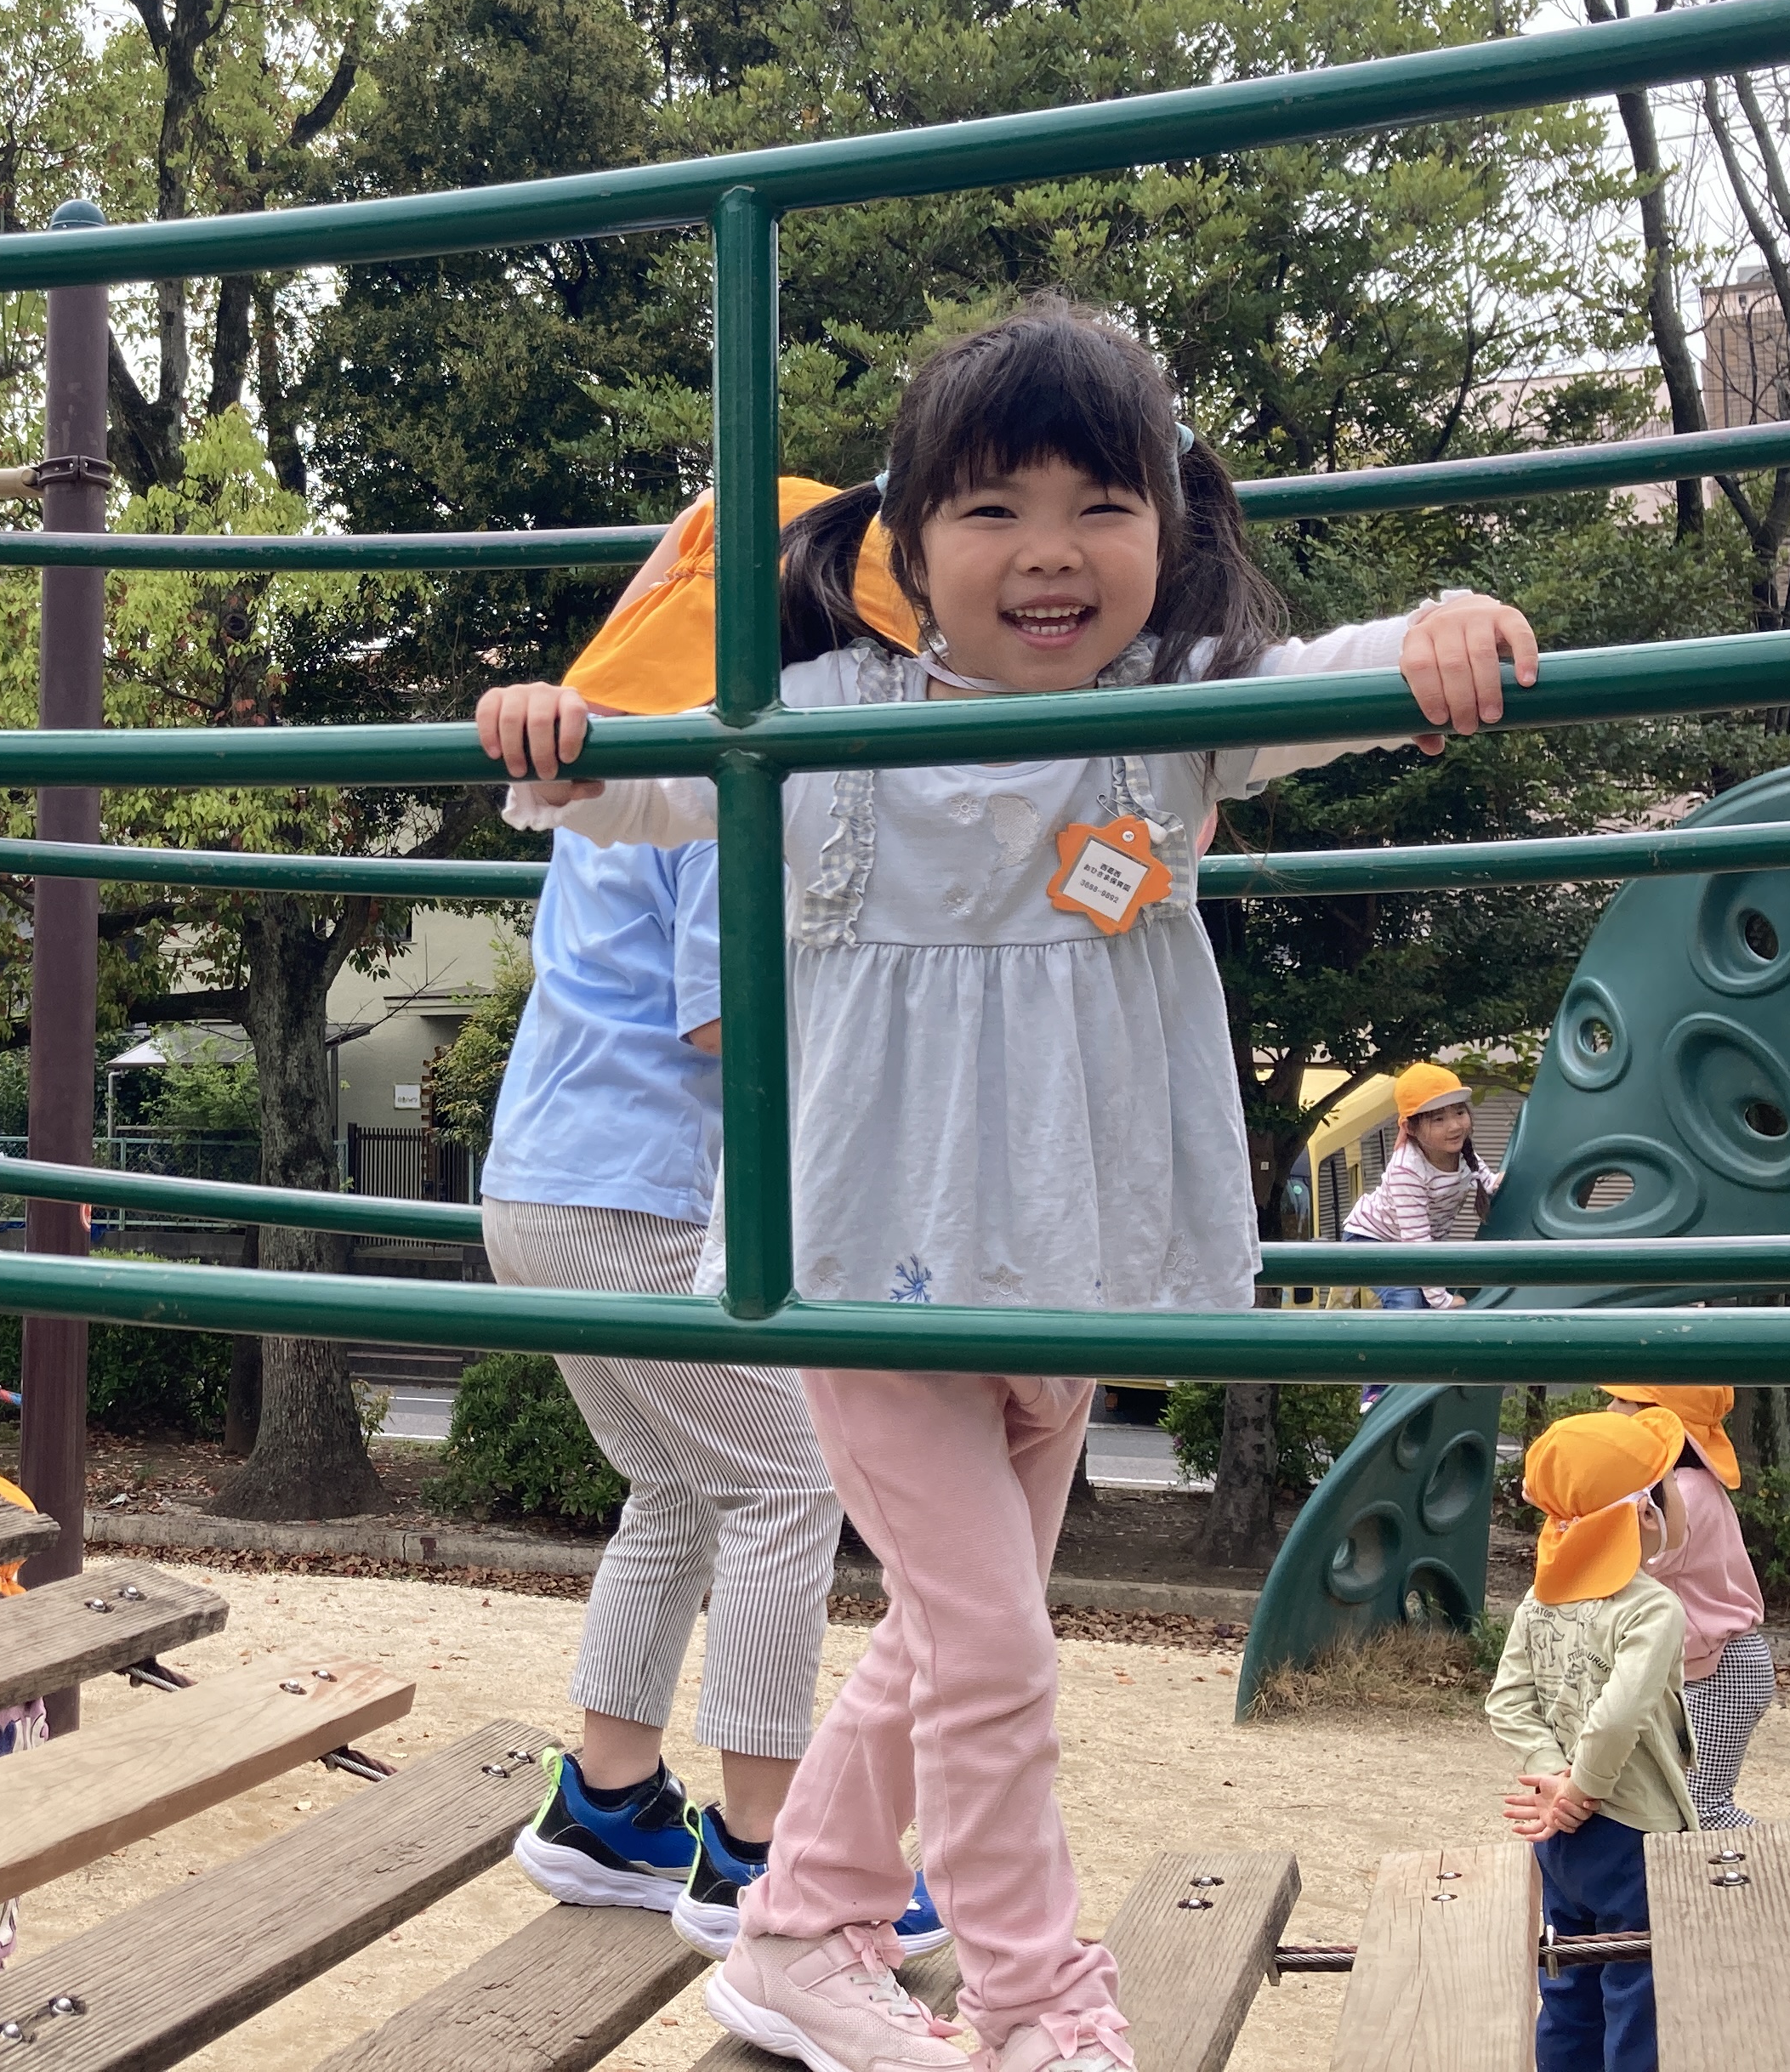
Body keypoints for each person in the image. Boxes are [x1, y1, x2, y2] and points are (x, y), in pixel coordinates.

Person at [479, 298, 1542, 2072]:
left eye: (1099, 506)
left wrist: (1438, 628)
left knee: (945, 1637)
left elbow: (1334, 680)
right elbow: (633, 783)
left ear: (1169, 532)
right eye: (991, 508)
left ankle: (797, 1930)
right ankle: (1036, 2000)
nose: (1049, 550)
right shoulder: (815, 720)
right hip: (872, 1272)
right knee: (993, 1650)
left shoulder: (1174, 716)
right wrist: (555, 730)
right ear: (906, 545)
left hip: (1068, 1262)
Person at [490, 484, 944, 1962]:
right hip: (637, 1186)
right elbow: (718, 1012)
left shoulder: (634, 733)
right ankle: (764, 1847)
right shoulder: (720, 757)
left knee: (680, 1490)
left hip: (542, 1178)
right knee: (785, 1479)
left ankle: (607, 1804)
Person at [1594, 1383, 1790, 1919]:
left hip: (1721, 1672)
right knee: (1668, 1803)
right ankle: (1693, 1912)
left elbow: (1629, 1562)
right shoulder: (1669, 1487)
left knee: (1700, 1806)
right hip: (1703, 1669)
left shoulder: (1684, 1493)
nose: (1610, 1409)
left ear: (1664, 1424)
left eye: (1625, 1403)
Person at [1488, 1406, 1698, 2072]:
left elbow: (1508, 1702)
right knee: (1638, 1991)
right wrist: (1582, 1789)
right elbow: (1616, 1716)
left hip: (1558, 1836)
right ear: (1642, 1513)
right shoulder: (1652, 1608)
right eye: (1671, 1487)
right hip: (1632, 1830)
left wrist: (1553, 1780)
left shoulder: (1541, 1599)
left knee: (1568, 1983)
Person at [1343, 1061, 1494, 1401]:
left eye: (1459, 1112)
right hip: (1370, 1239)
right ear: (1410, 1128)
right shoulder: (1408, 1169)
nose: (1454, 1126)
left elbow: (1488, 1180)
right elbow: (1416, 1245)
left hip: (1413, 1244)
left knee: (1421, 1298)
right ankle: (1377, 1391)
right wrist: (1442, 1300)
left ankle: (1420, 1376)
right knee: (1407, 1297)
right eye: (1438, 1119)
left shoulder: (1461, 1152)